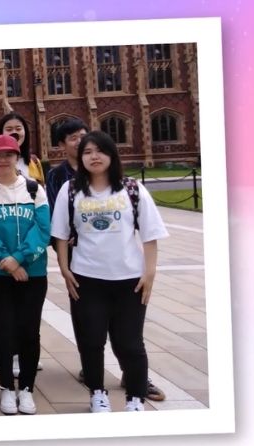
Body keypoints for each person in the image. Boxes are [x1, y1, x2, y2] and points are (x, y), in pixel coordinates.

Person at [47, 120, 166, 400]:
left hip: (129, 279)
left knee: (130, 344)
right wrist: (64, 269)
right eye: (88, 152)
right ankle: (97, 395)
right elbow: (60, 234)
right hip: (86, 278)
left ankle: (135, 399)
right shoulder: (70, 189)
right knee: (91, 341)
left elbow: (150, 235)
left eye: (100, 151)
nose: (94, 156)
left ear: (112, 155)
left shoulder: (132, 189)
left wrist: (149, 274)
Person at [0, 135, 50, 415]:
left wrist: (18, 259)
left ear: (17, 158)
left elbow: (42, 229)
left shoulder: (33, 190)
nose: (3, 160)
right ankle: (6, 386)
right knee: (3, 330)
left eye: (9, 154)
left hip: (33, 272)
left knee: (30, 331)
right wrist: (6, 260)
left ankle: (26, 387)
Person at [0, 112, 45, 185]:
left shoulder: (35, 162)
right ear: (1, 133)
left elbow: (42, 189)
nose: (14, 133)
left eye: (18, 129)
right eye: (9, 129)